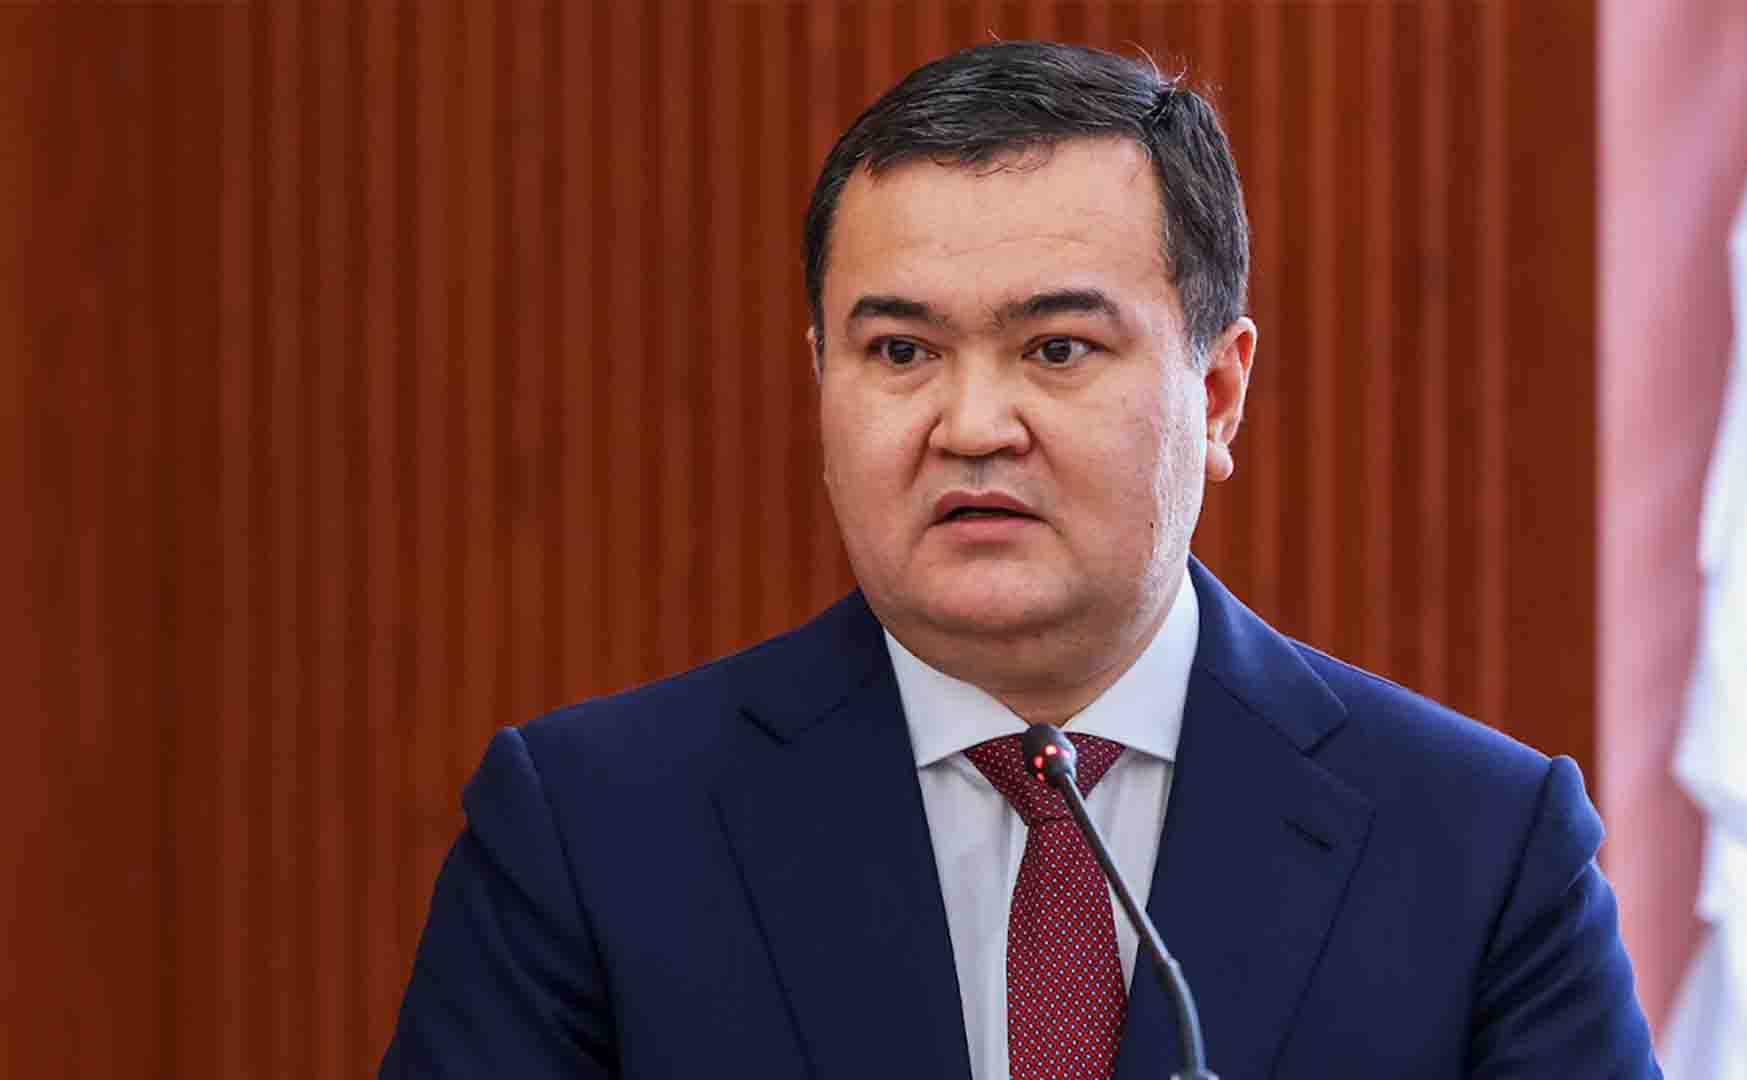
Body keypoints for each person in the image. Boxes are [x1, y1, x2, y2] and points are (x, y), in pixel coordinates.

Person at [382, 41, 1659, 1079]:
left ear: (1218, 395)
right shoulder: (592, 832)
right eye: (901, 352)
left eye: (1056, 349)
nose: (973, 424)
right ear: (821, 379)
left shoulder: (1477, 847)